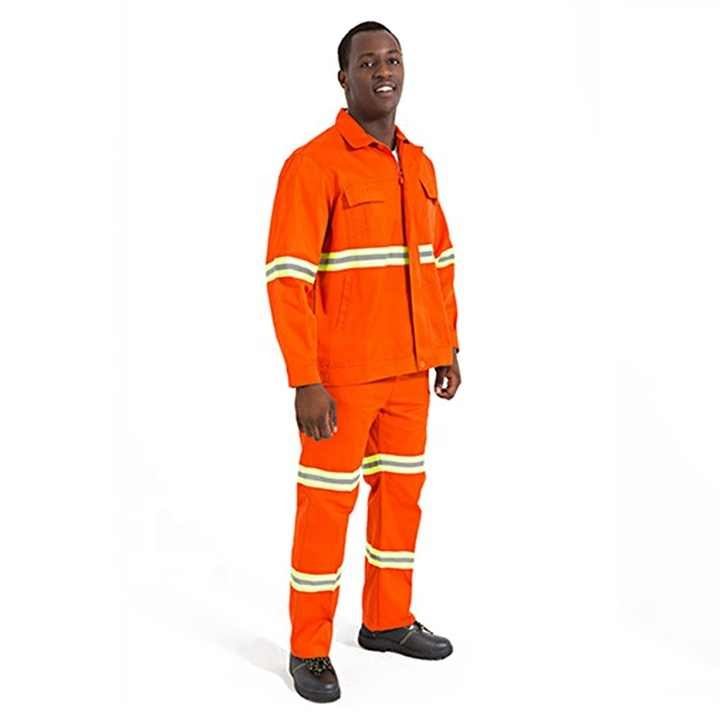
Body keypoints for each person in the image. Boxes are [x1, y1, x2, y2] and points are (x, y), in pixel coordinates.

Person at [264, 20, 461, 703]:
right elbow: (287, 278)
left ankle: (386, 621)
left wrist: (447, 346)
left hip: (411, 371)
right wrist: (305, 379)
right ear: (343, 77)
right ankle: (309, 649)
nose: (384, 71)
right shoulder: (313, 164)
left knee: (401, 500)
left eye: (393, 59)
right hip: (341, 379)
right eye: (369, 61)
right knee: (326, 508)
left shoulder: (420, 164)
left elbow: (439, 262)